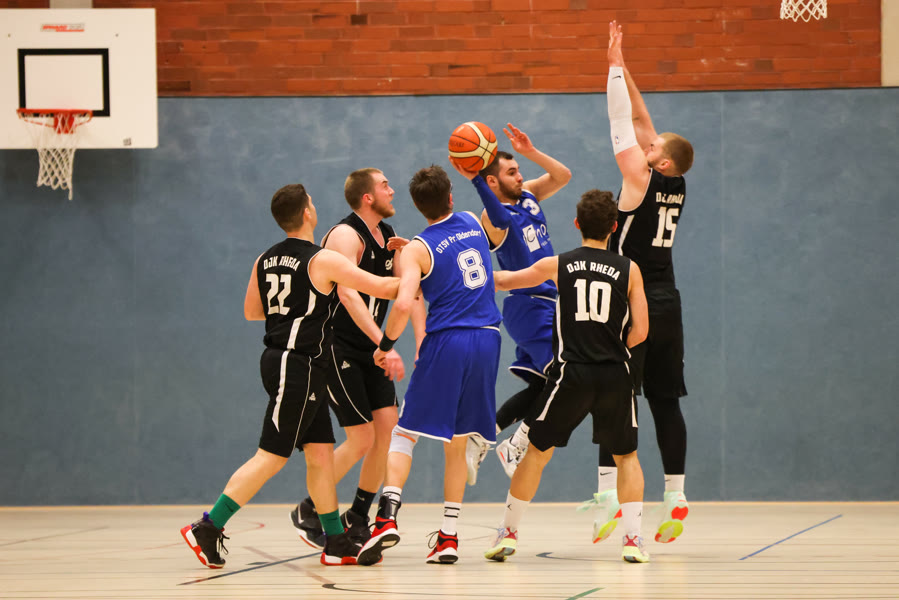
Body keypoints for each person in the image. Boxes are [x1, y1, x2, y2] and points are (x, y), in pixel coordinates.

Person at [180, 183, 399, 568]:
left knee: (320, 454)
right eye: (312, 203)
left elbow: (252, 311)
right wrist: (420, 266)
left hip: (289, 360)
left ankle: (335, 541)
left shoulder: (264, 258)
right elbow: (381, 286)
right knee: (272, 455)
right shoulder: (322, 260)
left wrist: (293, 309)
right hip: (296, 365)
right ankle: (209, 525)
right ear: (308, 213)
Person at [484, 189, 651, 563]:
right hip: (614, 374)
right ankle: (633, 541)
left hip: (571, 374)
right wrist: (613, 346)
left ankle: (508, 533)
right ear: (614, 227)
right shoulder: (630, 270)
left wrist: (454, 272)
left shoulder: (559, 264)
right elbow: (640, 331)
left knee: (536, 453)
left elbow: (506, 281)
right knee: (627, 457)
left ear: (577, 224)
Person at [581, 21, 695, 547]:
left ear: (660, 159)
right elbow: (644, 119)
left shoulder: (638, 177)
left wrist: (610, 72)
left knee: (617, 396)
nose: (646, 141)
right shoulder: (677, 182)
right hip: (669, 298)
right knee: (666, 401)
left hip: (635, 300)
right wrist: (624, 64)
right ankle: (676, 495)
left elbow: (621, 123)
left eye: (653, 146)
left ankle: (608, 493)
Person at [355, 164, 503, 566]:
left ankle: (386, 518)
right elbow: (479, 242)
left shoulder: (417, 249)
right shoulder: (472, 221)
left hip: (448, 341)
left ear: (419, 206)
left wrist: (386, 344)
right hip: (488, 339)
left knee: (405, 433)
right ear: (450, 196)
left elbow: (404, 303)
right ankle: (448, 538)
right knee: (457, 441)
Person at [289, 169, 425, 549]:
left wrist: (422, 340)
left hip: (372, 348)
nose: (392, 190)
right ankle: (309, 508)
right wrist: (386, 343)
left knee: (388, 432)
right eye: (384, 185)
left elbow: (409, 291)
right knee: (362, 437)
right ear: (367, 197)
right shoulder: (345, 235)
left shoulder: (389, 237)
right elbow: (348, 295)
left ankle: (358, 516)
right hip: (336, 346)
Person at [462, 124, 572, 483]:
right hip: (529, 305)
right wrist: (475, 178)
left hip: (550, 304)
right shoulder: (492, 218)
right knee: (567, 377)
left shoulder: (528, 196)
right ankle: (515, 443)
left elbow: (563, 175)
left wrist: (529, 152)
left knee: (543, 386)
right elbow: (497, 217)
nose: (520, 176)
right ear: (493, 182)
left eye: (519, 170)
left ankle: (482, 435)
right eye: (511, 172)